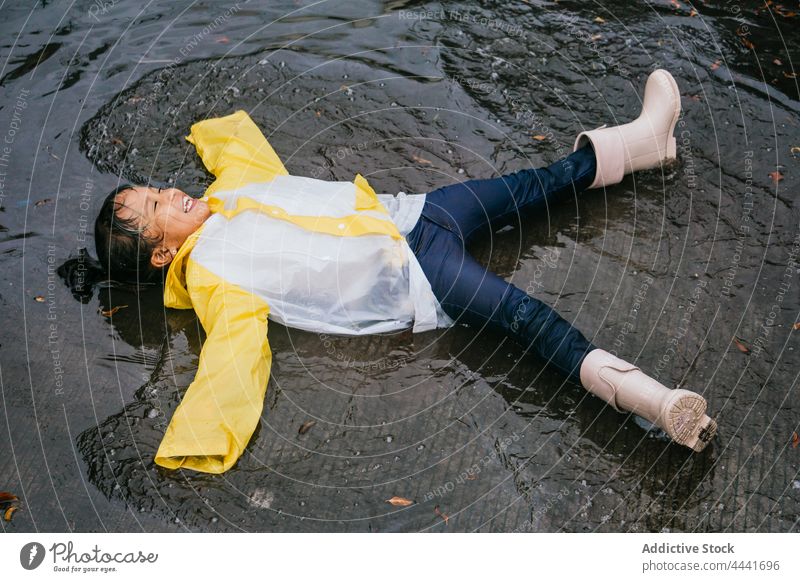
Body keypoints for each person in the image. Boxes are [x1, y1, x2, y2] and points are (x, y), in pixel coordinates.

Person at [91, 69, 716, 474]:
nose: (171, 193)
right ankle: (659, 404)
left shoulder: (228, 191)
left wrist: (206, 130)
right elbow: (232, 355)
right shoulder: (214, 281)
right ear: (163, 254)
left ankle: (646, 141)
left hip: (418, 214)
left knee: (528, 186)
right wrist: (197, 435)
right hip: (419, 272)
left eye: (157, 189)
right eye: (155, 207)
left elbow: (240, 149)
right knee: (526, 319)